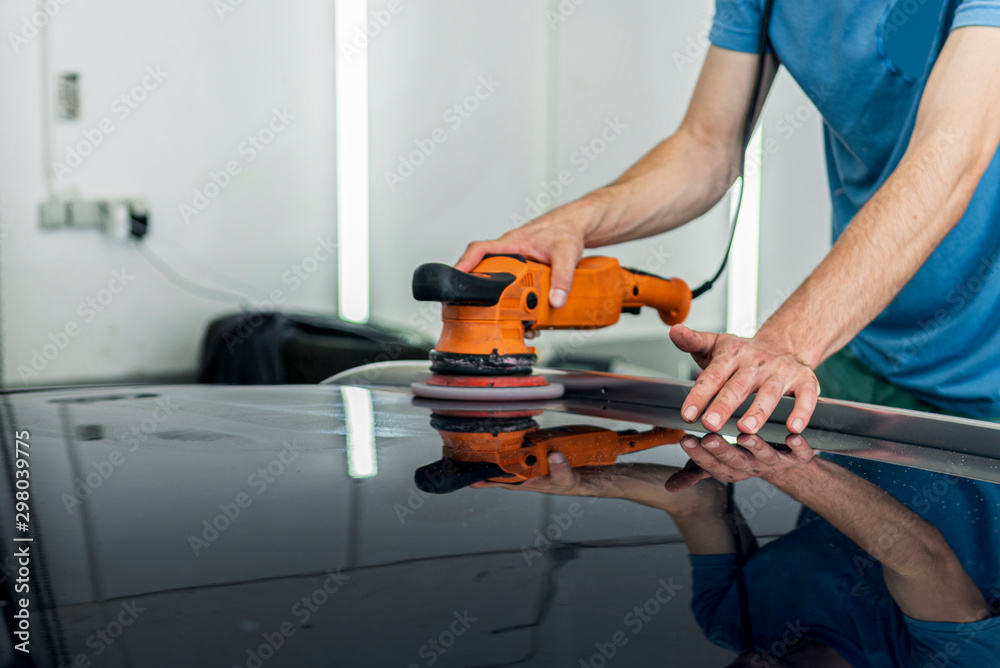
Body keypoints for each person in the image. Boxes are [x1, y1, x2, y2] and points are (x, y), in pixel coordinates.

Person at [456, 1, 1000, 437]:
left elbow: (951, 154)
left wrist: (786, 341)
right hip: (862, 351)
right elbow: (705, 147)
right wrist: (574, 221)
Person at [472, 434, 1000, 666]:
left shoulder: (731, 621)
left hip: (857, 429)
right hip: (981, 433)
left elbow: (699, 501)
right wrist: (782, 466)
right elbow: (918, 556)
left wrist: (582, 484)